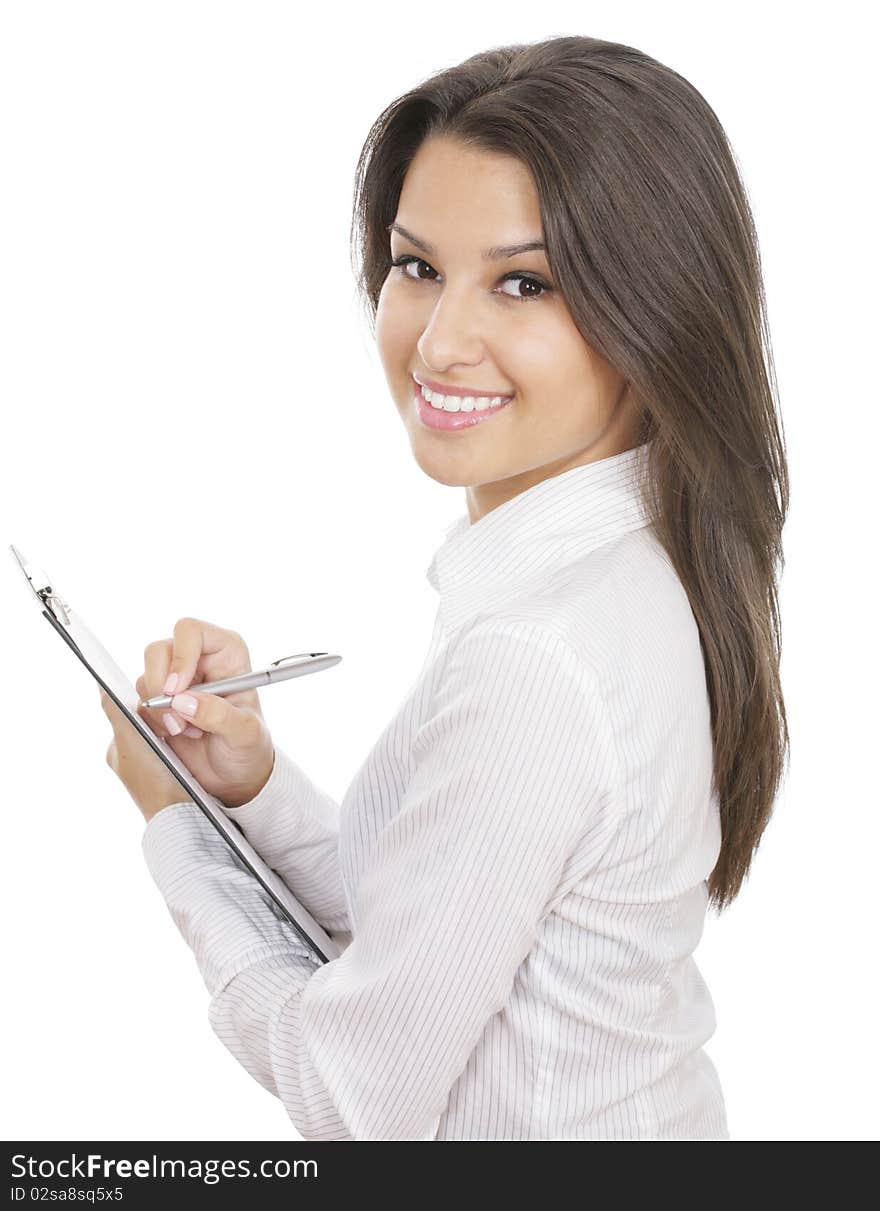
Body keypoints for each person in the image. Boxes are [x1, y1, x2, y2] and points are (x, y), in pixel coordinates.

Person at [100, 33, 789, 1140]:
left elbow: (349, 1089)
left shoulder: (539, 653)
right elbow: (441, 930)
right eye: (417, 266)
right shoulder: (616, 571)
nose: (439, 341)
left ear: (652, 309)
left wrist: (178, 829)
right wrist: (249, 791)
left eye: (524, 282)